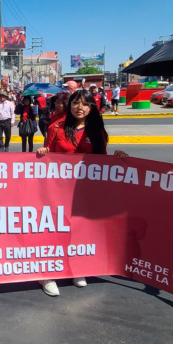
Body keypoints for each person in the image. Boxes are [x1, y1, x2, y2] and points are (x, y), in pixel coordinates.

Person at [36, 90, 129, 297]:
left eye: (86, 104)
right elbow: (47, 156)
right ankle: (47, 275)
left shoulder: (98, 131)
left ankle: (76, 268)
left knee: (79, 230)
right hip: (57, 190)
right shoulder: (56, 128)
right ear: (69, 106)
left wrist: (119, 158)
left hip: (84, 191)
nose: (80, 107)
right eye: (76, 103)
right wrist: (43, 153)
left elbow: (103, 161)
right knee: (55, 230)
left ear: (91, 108)